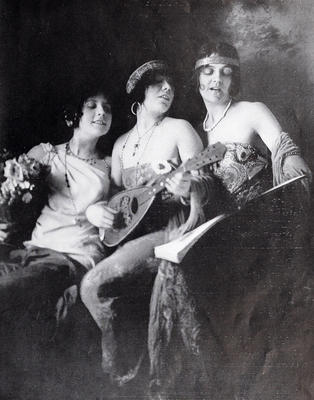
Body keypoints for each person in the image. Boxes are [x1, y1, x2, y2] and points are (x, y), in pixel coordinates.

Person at [147, 42, 312, 399]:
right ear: (197, 77)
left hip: (261, 226)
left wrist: (296, 168)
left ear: (234, 78)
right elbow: (200, 190)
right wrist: (182, 184)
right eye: (208, 71)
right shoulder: (193, 133)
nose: (216, 79)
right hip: (218, 229)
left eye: (225, 72)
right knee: (174, 269)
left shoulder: (251, 111)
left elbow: (284, 148)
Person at [80, 60, 209, 385]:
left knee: (94, 285)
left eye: (171, 85)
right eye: (157, 84)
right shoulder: (121, 144)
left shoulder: (180, 128)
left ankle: (121, 378)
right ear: (138, 98)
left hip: (171, 229)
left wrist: (188, 187)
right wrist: (99, 214)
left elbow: (206, 181)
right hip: (130, 235)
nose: (167, 89)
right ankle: (129, 367)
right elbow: (114, 200)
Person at [0, 86, 113, 326]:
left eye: (107, 108)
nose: (102, 112)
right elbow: (10, 194)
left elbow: (122, 213)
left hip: (73, 257)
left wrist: (101, 212)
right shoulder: (46, 154)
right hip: (34, 249)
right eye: (92, 105)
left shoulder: (109, 166)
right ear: (74, 115)